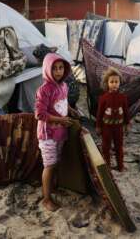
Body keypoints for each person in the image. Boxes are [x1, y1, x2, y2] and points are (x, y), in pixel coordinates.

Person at [35, 53, 79, 211]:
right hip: (48, 135)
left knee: (56, 162)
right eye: (54, 68)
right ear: (47, 69)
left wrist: (71, 110)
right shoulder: (44, 89)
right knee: (49, 165)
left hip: (60, 133)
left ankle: (51, 188)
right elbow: (39, 114)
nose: (58, 71)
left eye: (61, 68)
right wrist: (60, 120)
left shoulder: (64, 86)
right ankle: (46, 199)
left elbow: (62, 103)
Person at [96, 67, 130, 172]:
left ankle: (120, 166)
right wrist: (98, 126)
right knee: (106, 147)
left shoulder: (123, 97)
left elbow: (126, 112)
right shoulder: (103, 98)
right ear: (107, 83)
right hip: (106, 128)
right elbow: (99, 113)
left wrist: (127, 124)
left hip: (119, 128)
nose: (114, 84)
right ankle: (107, 166)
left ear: (119, 83)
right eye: (112, 82)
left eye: (116, 81)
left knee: (119, 147)